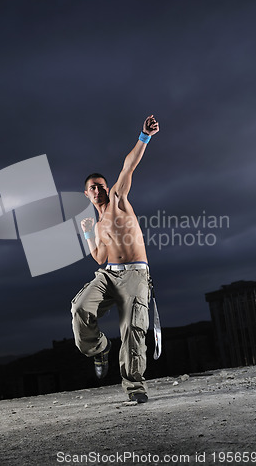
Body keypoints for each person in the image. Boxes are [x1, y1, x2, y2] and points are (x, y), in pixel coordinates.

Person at [71, 115, 159, 404]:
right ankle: (99, 349)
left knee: (132, 329)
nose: (98, 189)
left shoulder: (119, 200)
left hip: (134, 275)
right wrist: (88, 235)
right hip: (109, 274)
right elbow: (99, 258)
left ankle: (134, 387)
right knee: (80, 307)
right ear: (87, 194)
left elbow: (129, 165)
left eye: (101, 185)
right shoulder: (97, 225)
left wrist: (143, 136)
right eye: (93, 187)